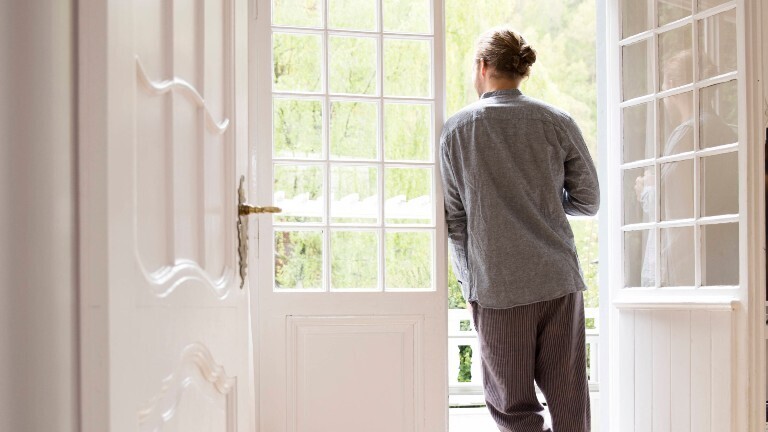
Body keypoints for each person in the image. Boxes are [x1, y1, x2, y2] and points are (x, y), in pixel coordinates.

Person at [440, 27, 599, 432]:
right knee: (569, 400)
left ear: (482, 67)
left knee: (512, 407)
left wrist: (468, 282)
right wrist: (542, 202)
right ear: (520, 70)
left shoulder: (458, 130)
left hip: (498, 286)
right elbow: (588, 200)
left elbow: (455, 220)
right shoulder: (557, 121)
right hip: (557, 282)